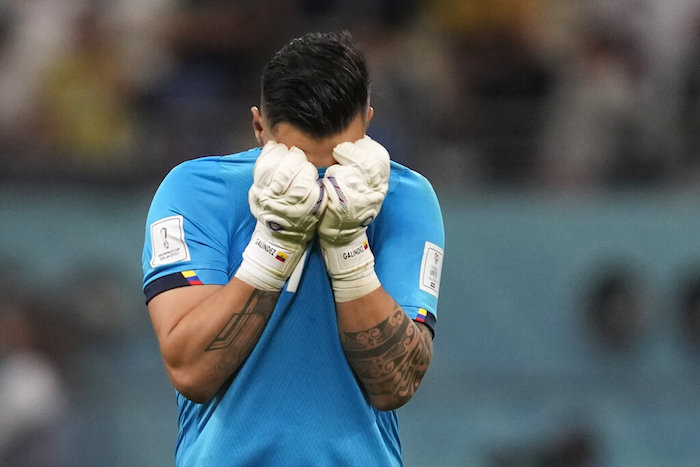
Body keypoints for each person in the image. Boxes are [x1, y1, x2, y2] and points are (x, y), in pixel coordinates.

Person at [141, 30, 445, 466]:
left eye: (341, 158)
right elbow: (190, 372)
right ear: (258, 128)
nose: (323, 183)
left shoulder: (405, 198)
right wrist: (277, 242)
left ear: (369, 123)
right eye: (301, 161)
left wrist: (347, 247)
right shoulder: (196, 191)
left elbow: (395, 385)